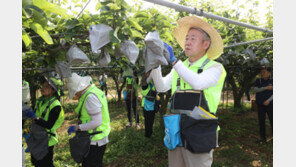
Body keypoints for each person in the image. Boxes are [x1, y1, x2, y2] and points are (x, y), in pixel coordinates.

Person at [148, 16, 226, 167]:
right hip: (176, 130)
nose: (187, 42)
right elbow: (161, 87)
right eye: (187, 38)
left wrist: (174, 61)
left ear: (206, 44)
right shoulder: (181, 66)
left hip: (200, 132)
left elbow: (198, 83)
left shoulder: (215, 68)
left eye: (193, 38)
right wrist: (155, 64)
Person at [66, 73, 111, 167]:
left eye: (75, 92)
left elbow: (96, 122)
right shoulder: (93, 91)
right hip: (98, 136)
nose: (75, 95)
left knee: (91, 163)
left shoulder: (90, 97)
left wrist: (78, 127)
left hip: (95, 140)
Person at [24, 76, 65, 167]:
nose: (42, 88)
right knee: (36, 162)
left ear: (54, 90)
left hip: (46, 140)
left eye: (47, 87)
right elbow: (35, 114)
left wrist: (34, 117)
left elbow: (49, 125)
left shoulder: (56, 106)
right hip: (37, 137)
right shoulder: (40, 101)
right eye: (43, 86)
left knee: (45, 164)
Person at [252, 66, 273, 143]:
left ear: (269, 73)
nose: (262, 74)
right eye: (261, 72)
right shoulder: (258, 80)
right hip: (260, 104)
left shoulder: (273, 80)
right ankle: (262, 138)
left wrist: (268, 100)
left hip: (270, 104)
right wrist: (266, 88)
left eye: (264, 72)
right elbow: (254, 90)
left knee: (273, 120)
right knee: (261, 121)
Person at [141, 72, 158, 138]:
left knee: (150, 121)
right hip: (146, 106)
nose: (149, 74)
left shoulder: (152, 84)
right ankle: (147, 135)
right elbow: (143, 81)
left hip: (152, 106)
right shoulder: (144, 86)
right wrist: (145, 75)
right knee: (148, 121)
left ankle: (149, 134)